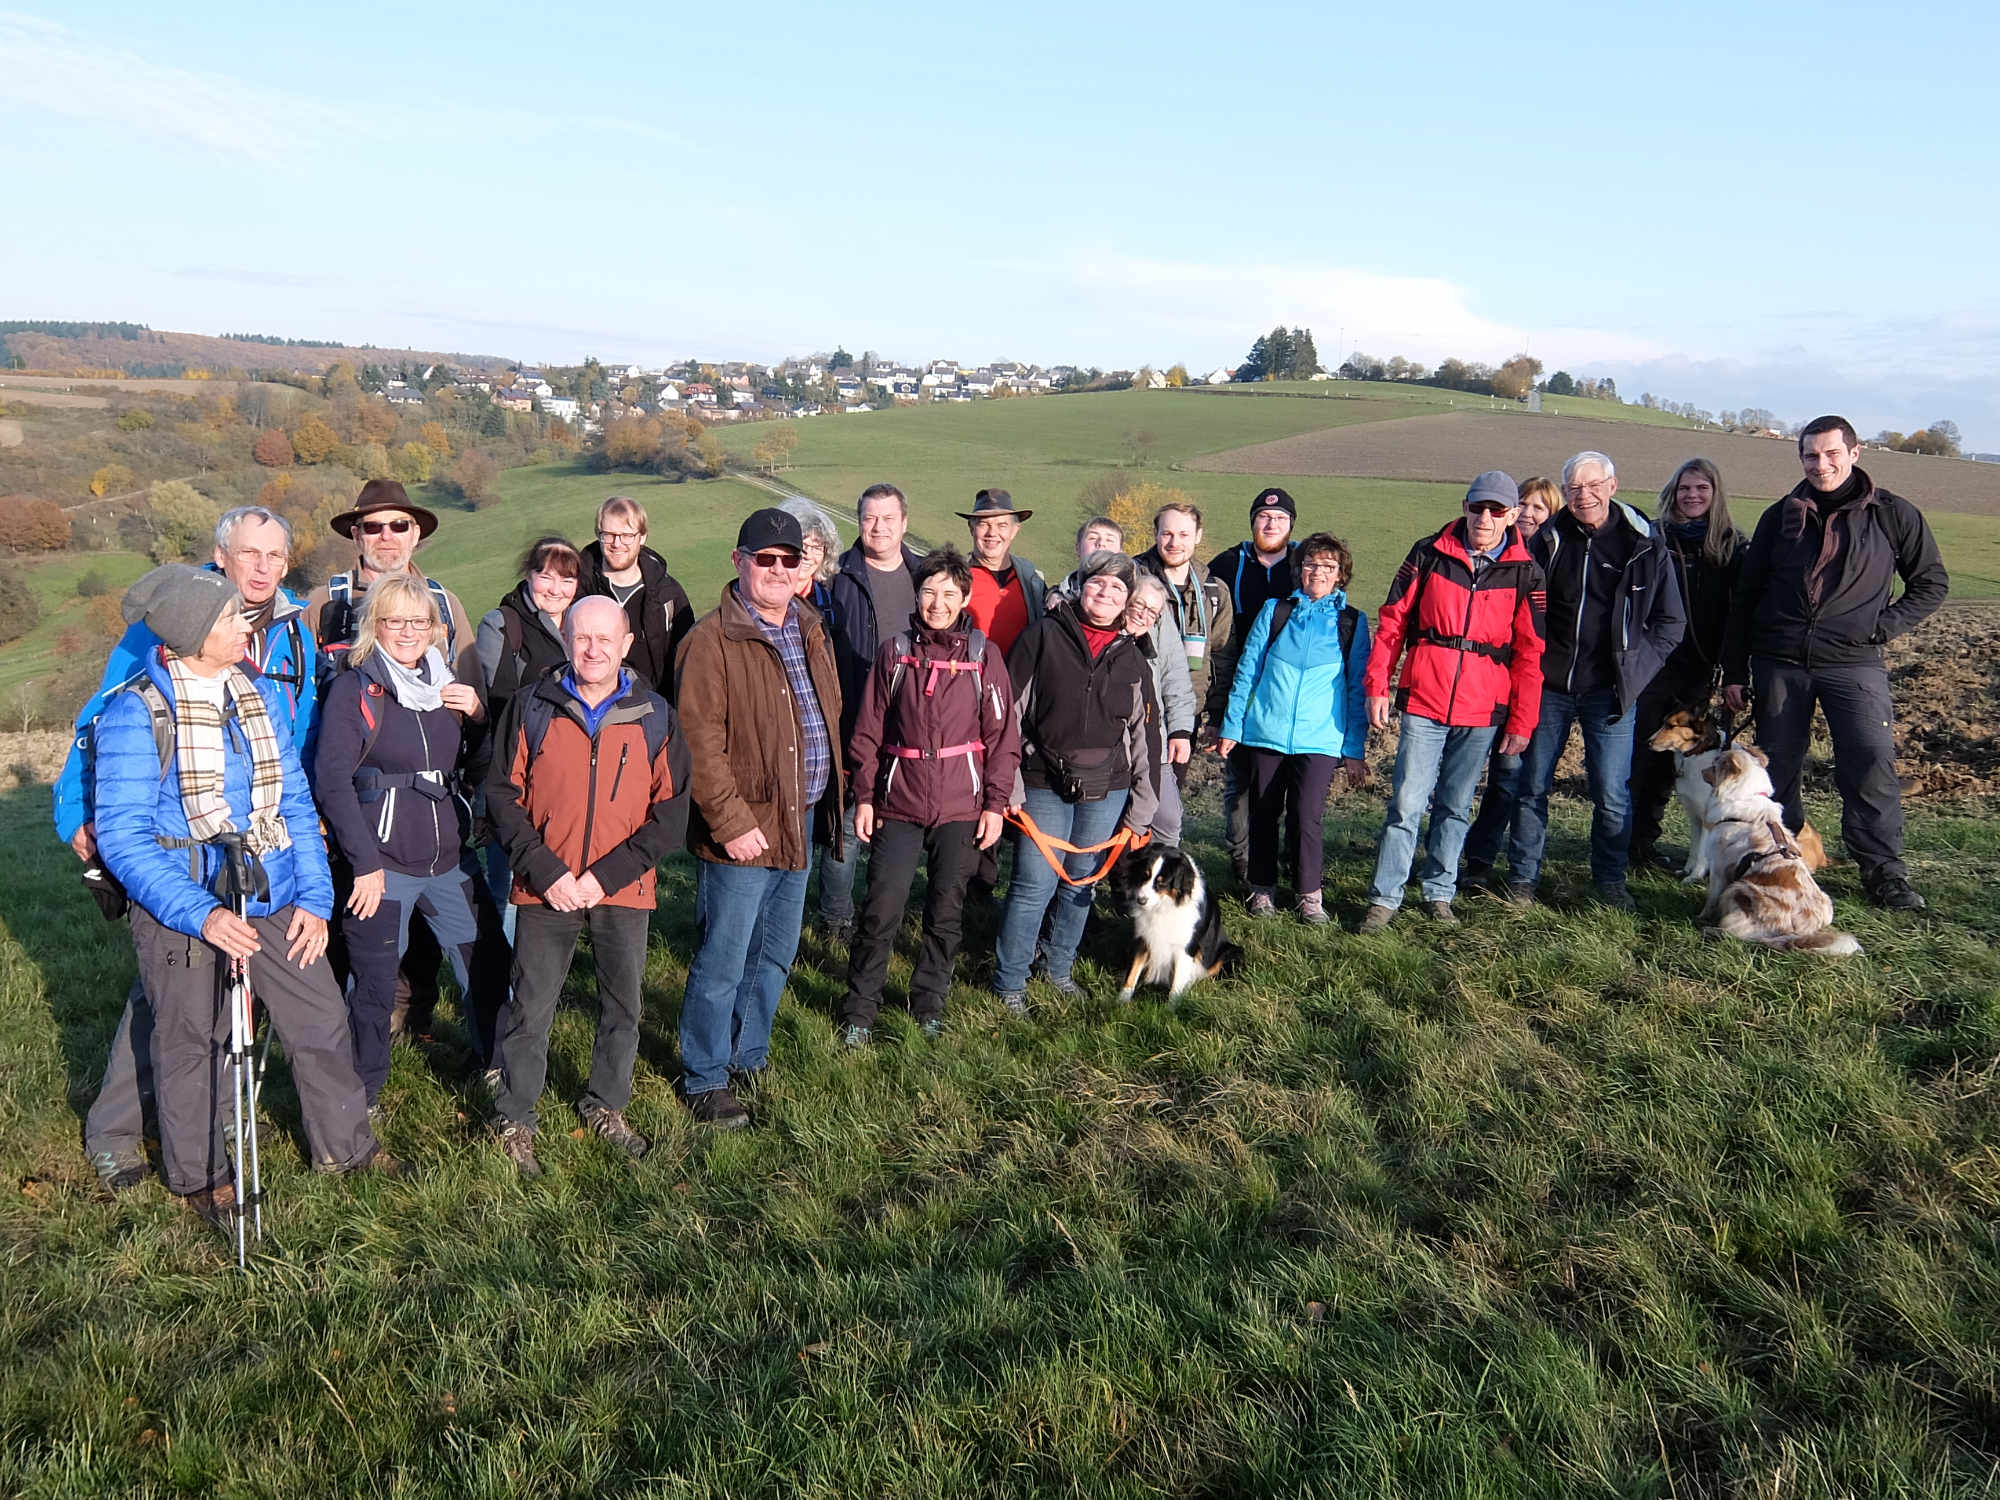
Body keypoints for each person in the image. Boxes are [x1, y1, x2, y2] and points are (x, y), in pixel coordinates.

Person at [94, 565, 396, 1225]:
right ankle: (202, 1178)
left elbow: (294, 802)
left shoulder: (252, 696)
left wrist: (315, 900)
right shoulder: (136, 712)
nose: (244, 627)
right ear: (195, 635)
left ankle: (346, 1149)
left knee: (320, 1020)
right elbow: (123, 839)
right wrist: (202, 914)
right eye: (231, 619)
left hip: (276, 892)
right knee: (189, 1041)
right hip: (185, 907)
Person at [57, 504, 318, 1195]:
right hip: (178, 850)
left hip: (260, 841)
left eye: (275, 556)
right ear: (221, 554)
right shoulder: (175, 618)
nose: (262, 568)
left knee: (207, 1004)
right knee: (168, 1004)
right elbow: (101, 719)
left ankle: (206, 1122)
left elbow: (302, 723)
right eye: (249, 553)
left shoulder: (294, 633)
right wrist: (71, 811)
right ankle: (119, 1133)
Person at [485, 596, 691, 1176]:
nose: (593, 649)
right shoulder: (533, 707)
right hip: (544, 887)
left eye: (606, 639)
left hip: (620, 890)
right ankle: (516, 1117)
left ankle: (606, 1104)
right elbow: (502, 797)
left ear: (626, 644)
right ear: (566, 640)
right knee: (531, 1006)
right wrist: (547, 873)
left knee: (622, 1007)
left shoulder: (655, 716)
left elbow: (669, 814)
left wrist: (604, 877)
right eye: (581, 638)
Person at [1722, 415, 1948, 910]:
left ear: (1854, 453)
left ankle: (1884, 873)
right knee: (1776, 769)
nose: (1820, 464)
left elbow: (1931, 583)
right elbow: (1747, 597)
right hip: (1780, 661)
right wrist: (1734, 670)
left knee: (1869, 763)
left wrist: (1881, 627)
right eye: (1810, 455)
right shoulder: (1780, 517)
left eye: (1830, 453)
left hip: (1854, 662)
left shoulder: (1892, 515)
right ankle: (1782, 860)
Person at [676, 509, 844, 1129]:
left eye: (788, 560)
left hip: (799, 816)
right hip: (744, 826)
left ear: (803, 569)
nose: (777, 570)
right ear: (738, 561)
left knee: (774, 950)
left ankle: (749, 1054)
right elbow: (698, 742)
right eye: (764, 559)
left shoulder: (810, 627)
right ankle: (704, 1075)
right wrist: (729, 820)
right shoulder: (711, 640)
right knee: (724, 954)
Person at [316, 573, 507, 1109]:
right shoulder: (356, 688)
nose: (406, 631)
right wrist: (363, 863)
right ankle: (362, 1094)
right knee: (374, 985)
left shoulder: (447, 687)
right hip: (382, 862)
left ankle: (496, 1065)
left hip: (448, 856)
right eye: (393, 620)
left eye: (417, 621)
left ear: (434, 629)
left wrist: (478, 717)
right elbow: (332, 780)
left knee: (488, 960)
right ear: (374, 626)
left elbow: (476, 766)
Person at [1461, 452, 1685, 908]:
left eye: (1593, 486)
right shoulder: (1548, 538)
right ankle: (1523, 880)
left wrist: (1637, 673)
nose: (1584, 496)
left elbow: (1670, 622)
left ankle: (1609, 881)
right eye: (1575, 488)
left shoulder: (1644, 543)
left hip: (1612, 690)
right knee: (1532, 785)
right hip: (1549, 686)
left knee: (1611, 792)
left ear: (1613, 485)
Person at [306, 479, 482, 1037]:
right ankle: (346, 1034)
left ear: (416, 536)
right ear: (355, 534)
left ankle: (417, 1016)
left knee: (430, 931)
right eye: (373, 526)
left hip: (428, 809)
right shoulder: (324, 603)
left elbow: (470, 698)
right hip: (346, 799)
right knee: (352, 923)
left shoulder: (446, 607)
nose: (386, 536)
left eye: (398, 525)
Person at [839, 546, 1020, 1045]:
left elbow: (1003, 738)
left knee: (946, 910)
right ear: (916, 595)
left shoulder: (984, 656)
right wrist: (867, 796)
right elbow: (868, 731)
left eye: (947, 593)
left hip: (963, 805)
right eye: (927, 591)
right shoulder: (895, 652)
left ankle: (929, 1003)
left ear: (964, 598)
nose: (936, 602)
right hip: (899, 800)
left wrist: (996, 804)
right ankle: (860, 1010)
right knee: (882, 908)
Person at [1358, 474, 1545, 933]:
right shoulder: (1428, 553)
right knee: (1406, 802)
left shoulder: (1527, 571)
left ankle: (1440, 892)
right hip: (1424, 698)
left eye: (1496, 510)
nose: (1485, 518)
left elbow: (1531, 651)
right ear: (1464, 506)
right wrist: (1377, 684)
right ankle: (1385, 898)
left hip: (1482, 709)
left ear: (1513, 516)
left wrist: (1523, 719)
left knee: (1456, 806)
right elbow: (1392, 622)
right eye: (1477, 507)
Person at [992, 550, 1156, 1008]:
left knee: (1081, 882)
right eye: (1097, 583)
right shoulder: (1041, 637)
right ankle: (1010, 983)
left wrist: (1142, 809)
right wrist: (1009, 784)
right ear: (1080, 586)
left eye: (1117, 588)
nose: (1105, 593)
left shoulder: (1134, 656)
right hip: (1042, 781)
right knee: (1032, 885)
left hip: (1108, 789)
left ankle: (1059, 969)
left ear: (1127, 601)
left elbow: (1147, 736)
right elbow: (1007, 716)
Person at [1216, 532, 1369, 923]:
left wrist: (1353, 749)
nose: (1318, 572)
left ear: (1340, 575)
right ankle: (1262, 891)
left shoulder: (1351, 623)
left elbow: (1356, 688)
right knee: (1263, 812)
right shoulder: (1275, 611)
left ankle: (1309, 896)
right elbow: (1247, 671)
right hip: (1265, 731)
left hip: (1321, 738)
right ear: (1299, 570)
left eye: (1328, 567)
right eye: (1311, 564)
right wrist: (1232, 726)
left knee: (1306, 815)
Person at [819, 483, 925, 940]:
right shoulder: (836, 576)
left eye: (887, 518)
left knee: (896, 829)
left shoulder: (925, 578)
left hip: (910, 725)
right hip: (849, 718)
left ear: (904, 523)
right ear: (857, 521)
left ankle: (882, 917)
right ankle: (835, 919)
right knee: (845, 827)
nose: (877, 527)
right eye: (868, 518)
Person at [1626, 459, 1743, 870]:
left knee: (1677, 760)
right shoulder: (1651, 540)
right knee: (1641, 757)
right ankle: (1629, 843)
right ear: (1672, 493)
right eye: (1684, 489)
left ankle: (1652, 845)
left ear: (1715, 495)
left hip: (1698, 669)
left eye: (1702, 489)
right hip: (1650, 665)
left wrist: (1733, 674)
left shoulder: (1731, 548)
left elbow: (1737, 616)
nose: (1692, 496)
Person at [474, 537, 582, 939]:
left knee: (553, 875)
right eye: (545, 576)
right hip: (514, 775)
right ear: (528, 575)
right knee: (508, 885)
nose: (555, 588)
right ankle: (501, 985)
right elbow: (498, 706)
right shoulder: (503, 624)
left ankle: (540, 973)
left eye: (566, 580)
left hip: (566, 778)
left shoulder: (581, 624)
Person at [1464, 476, 1561, 874]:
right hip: (1490, 683)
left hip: (1539, 685)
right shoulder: (1498, 552)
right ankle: (1478, 856)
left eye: (1541, 507)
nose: (1529, 513)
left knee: (1518, 778)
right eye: (1524, 504)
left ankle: (1514, 864)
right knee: (1498, 780)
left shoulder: (1554, 556)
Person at [1207, 488, 1302, 879]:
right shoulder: (1227, 564)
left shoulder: (1305, 561)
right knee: (1242, 781)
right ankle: (1243, 860)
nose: (1271, 524)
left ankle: (1290, 858)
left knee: (1289, 780)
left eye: (1280, 519)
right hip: (1239, 687)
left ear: (1291, 524)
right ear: (1252, 522)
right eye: (1264, 517)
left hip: (1289, 689)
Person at [574, 495, 695, 704]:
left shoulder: (669, 594)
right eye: (608, 535)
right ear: (597, 535)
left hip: (650, 710)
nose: (616, 543)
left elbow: (688, 663)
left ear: (642, 537)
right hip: (586, 707)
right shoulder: (575, 588)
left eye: (626, 535)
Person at [1135, 502, 1234, 746]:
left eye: (1184, 534)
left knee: (1172, 785)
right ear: (1155, 534)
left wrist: (1217, 714)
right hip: (1133, 710)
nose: (1174, 543)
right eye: (1167, 533)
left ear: (1198, 536)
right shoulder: (1131, 579)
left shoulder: (1214, 591)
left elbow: (1222, 656)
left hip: (1187, 716)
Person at [1123, 574, 1196, 846]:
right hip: (1111, 750)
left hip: (1154, 743)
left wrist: (1180, 729)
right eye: (1138, 605)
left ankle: (1163, 885)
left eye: (1151, 612)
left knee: (1167, 819)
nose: (1142, 615)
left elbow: (1175, 677)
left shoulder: (1155, 637)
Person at [958, 489, 1047, 654]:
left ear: (1014, 530)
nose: (992, 533)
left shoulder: (1032, 580)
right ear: (971, 528)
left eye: (1002, 525)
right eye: (984, 524)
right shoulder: (955, 578)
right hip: (969, 677)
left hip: (1019, 678)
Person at [1053, 517, 1127, 600]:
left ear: (1120, 552)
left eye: (1109, 540)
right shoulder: (1057, 599)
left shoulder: (1131, 595)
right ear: (1078, 549)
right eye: (1092, 538)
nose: (1101, 543)